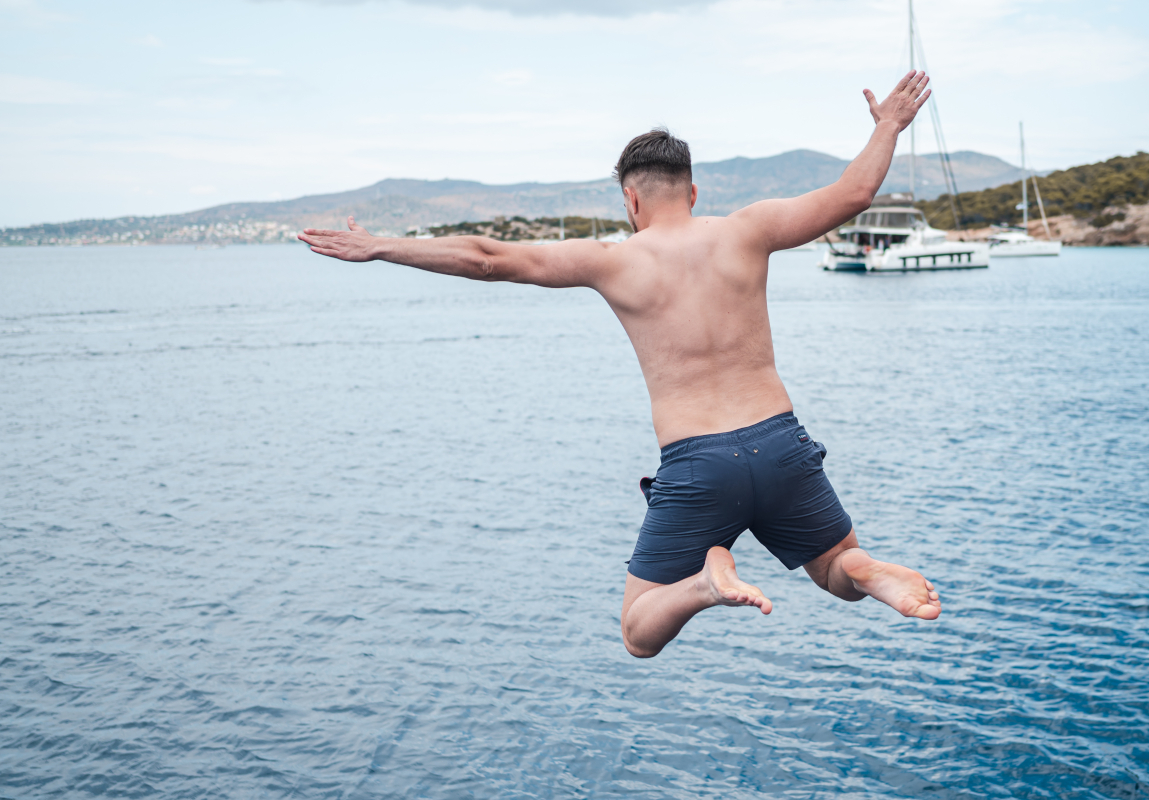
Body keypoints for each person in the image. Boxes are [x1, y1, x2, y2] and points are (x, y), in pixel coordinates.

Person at [300, 70, 942, 658]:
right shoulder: (750, 229)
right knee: (835, 568)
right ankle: (869, 570)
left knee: (638, 630)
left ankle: (707, 587)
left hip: (699, 463)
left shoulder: (615, 259)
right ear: (692, 191)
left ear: (632, 202)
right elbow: (856, 191)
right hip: (779, 441)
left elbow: (487, 258)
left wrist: (380, 246)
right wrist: (887, 124)